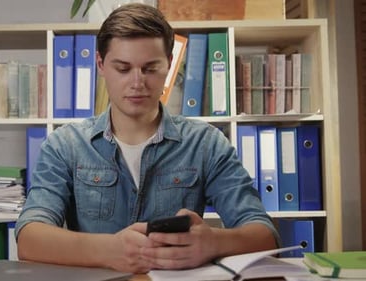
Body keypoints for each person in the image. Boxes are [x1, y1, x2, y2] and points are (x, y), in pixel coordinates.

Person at [15, 3, 278, 274]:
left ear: (169, 64)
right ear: (101, 65)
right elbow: (29, 238)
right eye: (123, 68)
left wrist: (214, 242)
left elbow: (264, 233)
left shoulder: (206, 143)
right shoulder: (64, 145)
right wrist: (109, 251)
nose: (137, 82)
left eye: (150, 68)